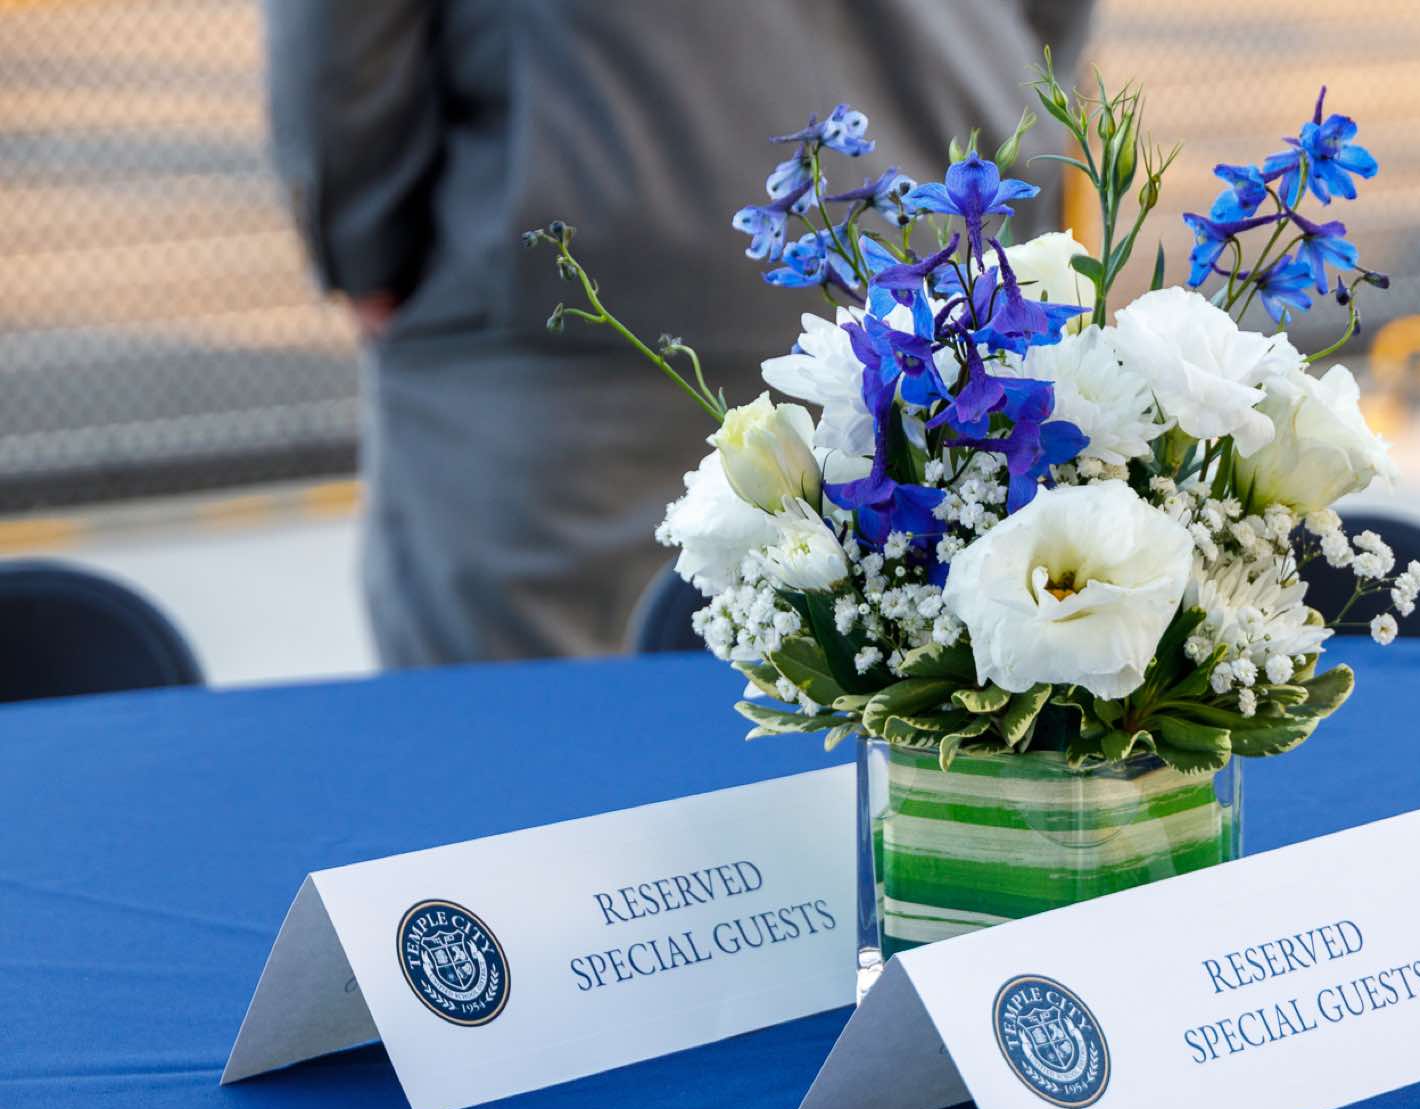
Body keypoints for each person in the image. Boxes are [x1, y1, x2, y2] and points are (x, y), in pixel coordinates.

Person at [264, 1, 1093, 666]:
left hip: (579, 267)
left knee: (530, 774)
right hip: (929, 223)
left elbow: (340, 45)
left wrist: (364, 244)